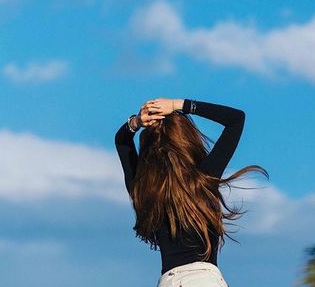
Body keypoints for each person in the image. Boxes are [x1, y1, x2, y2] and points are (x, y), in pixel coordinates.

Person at [115, 98, 268, 287]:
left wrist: (137, 122)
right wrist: (179, 105)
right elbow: (236, 119)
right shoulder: (202, 179)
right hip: (204, 280)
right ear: (187, 139)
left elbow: (122, 142)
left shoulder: (144, 192)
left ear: (147, 149)